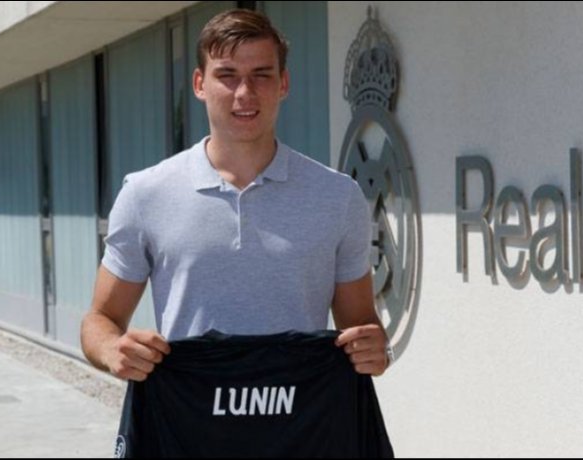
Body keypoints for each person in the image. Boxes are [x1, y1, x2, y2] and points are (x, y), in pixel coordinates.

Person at [80, 8, 389, 383]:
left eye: (261, 75)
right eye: (226, 75)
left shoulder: (337, 196)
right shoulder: (145, 194)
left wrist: (377, 350)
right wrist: (113, 350)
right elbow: (101, 320)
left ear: (284, 83)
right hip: (188, 425)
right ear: (199, 84)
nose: (245, 92)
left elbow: (360, 328)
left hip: (299, 426)